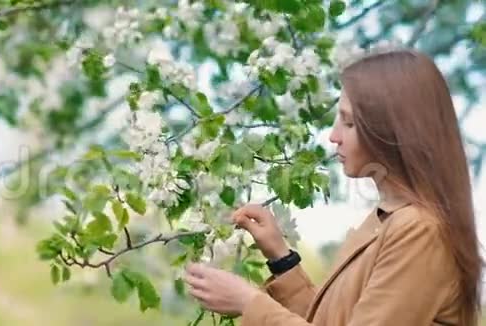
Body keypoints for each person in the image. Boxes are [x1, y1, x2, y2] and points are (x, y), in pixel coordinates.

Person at [184, 49, 484, 325]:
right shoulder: (388, 221)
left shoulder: (419, 231)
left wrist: (248, 302)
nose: (333, 136)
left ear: (391, 128)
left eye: (349, 123)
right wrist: (281, 258)